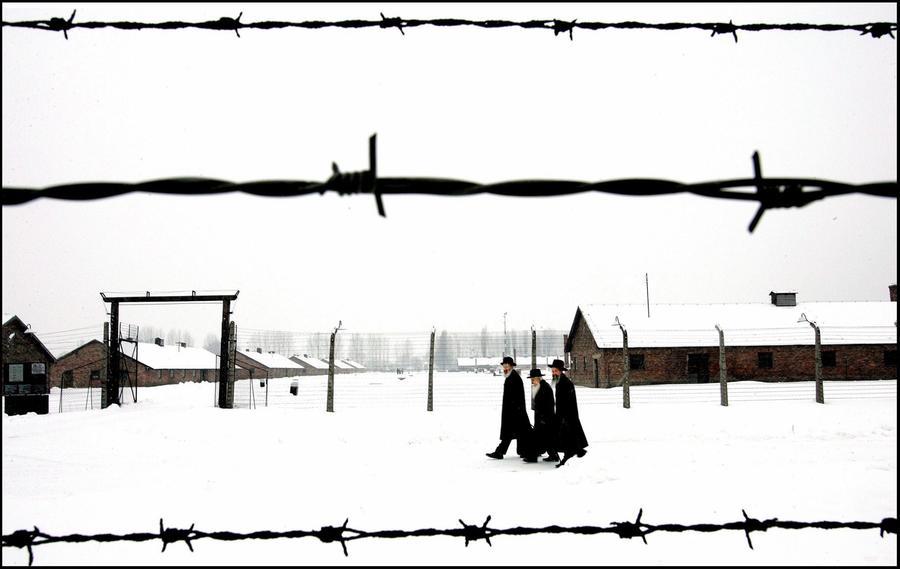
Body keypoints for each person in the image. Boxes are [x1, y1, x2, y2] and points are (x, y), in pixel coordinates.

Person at [486, 356, 536, 462]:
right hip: (512, 411)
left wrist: (517, 410)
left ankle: (504, 452)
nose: (505, 368)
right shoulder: (510, 377)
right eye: (504, 366)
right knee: (516, 432)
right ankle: (521, 451)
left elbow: (518, 397)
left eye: (507, 366)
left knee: (515, 432)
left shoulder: (514, 378)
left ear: (511, 366)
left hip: (515, 411)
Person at [549, 359, 588, 468]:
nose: (554, 373)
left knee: (568, 437)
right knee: (569, 437)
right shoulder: (559, 381)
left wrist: (565, 417)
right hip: (562, 415)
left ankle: (568, 457)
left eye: (555, 371)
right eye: (552, 371)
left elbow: (570, 402)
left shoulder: (566, 383)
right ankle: (578, 451)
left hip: (568, 415)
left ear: (561, 371)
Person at [528, 368, 560, 462]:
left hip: (545, 418)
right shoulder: (539, 386)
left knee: (544, 438)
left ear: (538, 378)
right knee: (546, 438)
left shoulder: (544, 387)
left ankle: (533, 457)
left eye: (533, 379)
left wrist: (543, 418)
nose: (532, 381)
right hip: (542, 418)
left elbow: (549, 404)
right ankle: (553, 455)